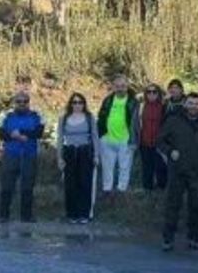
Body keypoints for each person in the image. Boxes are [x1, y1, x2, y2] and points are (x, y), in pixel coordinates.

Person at [158, 94, 198, 251]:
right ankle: (168, 238)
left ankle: (194, 237)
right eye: (191, 103)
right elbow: (160, 140)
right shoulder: (173, 119)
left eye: (197, 104)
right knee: (173, 205)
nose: (194, 106)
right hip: (177, 170)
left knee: (196, 206)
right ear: (185, 104)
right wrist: (170, 152)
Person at [0, 79, 44, 224]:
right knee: (7, 186)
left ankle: (26, 216)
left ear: (28, 102)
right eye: (19, 101)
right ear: (14, 103)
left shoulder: (36, 116)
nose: (22, 104)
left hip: (29, 155)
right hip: (11, 154)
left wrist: (23, 134)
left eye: (25, 101)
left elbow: (39, 132)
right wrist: (13, 135)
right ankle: (4, 215)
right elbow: (0, 134)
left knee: (27, 186)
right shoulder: (7, 116)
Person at [57, 92, 100, 224]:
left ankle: (84, 214)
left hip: (85, 152)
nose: (77, 105)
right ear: (70, 104)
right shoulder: (64, 118)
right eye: (74, 102)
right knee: (70, 185)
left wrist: (96, 155)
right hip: (69, 152)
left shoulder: (89, 117)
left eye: (80, 102)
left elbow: (95, 136)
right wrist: (59, 157)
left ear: (84, 104)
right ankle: (72, 214)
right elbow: (59, 139)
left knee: (85, 183)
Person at [97, 74, 138, 196]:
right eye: (117, 86)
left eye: (123, 86)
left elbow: (136, 123)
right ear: (113, 87)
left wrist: (134, 140)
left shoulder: (133, 102)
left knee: (124, 167)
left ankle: (121, 191)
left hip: (125, 139)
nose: (120, 88)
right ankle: (107, 190)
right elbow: (101, 117)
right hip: (107, 139)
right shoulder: (108, 100)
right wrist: (101, 135)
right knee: (107, 167)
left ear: (127, 87)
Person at [136, 84, 168, 191]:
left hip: (159, 142)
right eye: (149, 92)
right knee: (146, 166)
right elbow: (136, 124)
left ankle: (161, 187)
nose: (151, 94)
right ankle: (147, 187)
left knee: (160, 166)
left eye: (154, 92)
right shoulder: (141, 106)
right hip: (144, 141)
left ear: (158, 93)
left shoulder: (164, 106)